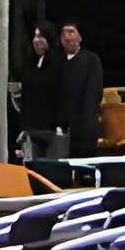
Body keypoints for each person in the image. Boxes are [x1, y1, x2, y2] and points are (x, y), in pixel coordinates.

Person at [53, 20, 106, 159]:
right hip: (61, 127)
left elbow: (93, 93)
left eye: (71, 32)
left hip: (84, 124)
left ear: (80, 37)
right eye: (63, 33)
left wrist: (86, 121)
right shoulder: (57, 61)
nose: (67, 37)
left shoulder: (90, 60)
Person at [18, 25, 61, 162]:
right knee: (30, 165)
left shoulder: (58, 63)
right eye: (35, 36)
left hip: (51, 129)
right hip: (31, 128)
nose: (36, 40)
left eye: (41, 36)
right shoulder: (31, 64)